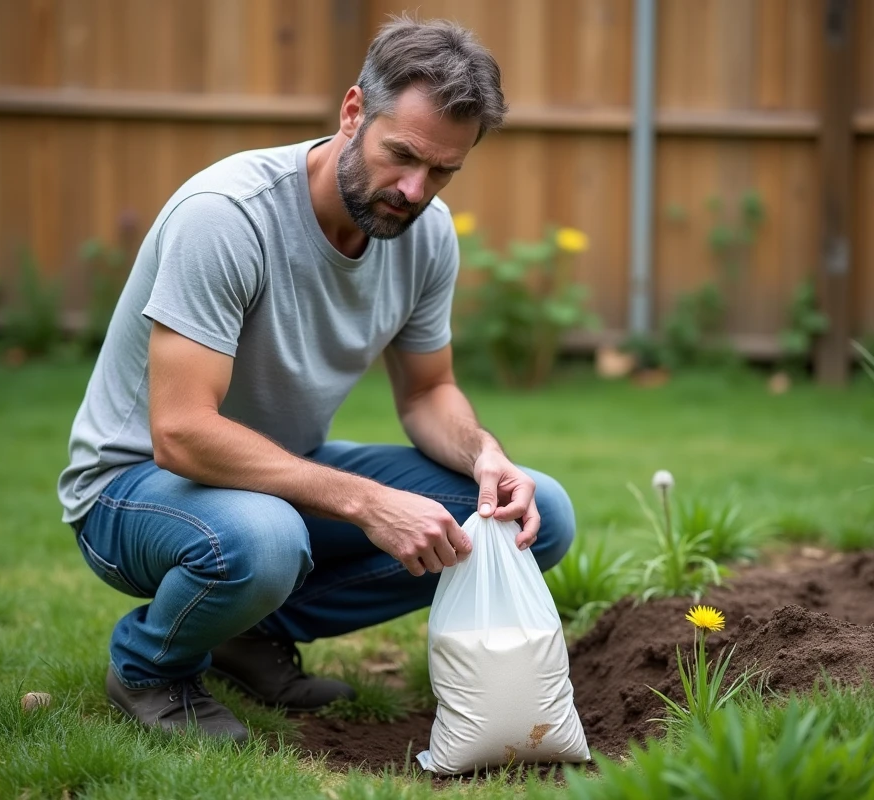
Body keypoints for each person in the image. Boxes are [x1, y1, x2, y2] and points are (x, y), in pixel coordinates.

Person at [57, 16, 576, 744]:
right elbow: (179, 433)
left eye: (443, 171)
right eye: (402, 156)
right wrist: (367, 503)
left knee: (533, 515)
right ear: (353, 111)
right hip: (133, 486)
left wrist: (484, 455)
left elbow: (428, 392)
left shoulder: (425, 235)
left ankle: (247, 631)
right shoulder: (227, 216)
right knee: (265, 541)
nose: (414, 189)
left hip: (278, 476)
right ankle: (149, 667)